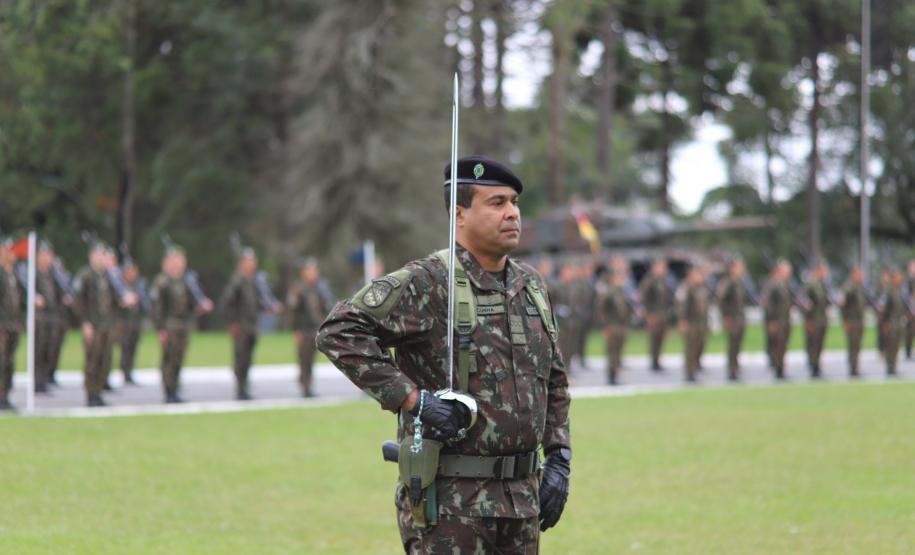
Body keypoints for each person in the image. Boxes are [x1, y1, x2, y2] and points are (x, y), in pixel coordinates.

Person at [317, 156, 571, 553]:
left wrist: (559, 456)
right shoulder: (429, 282)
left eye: (515, 202)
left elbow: (553, 378)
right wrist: (413, 400)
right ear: (460, 214)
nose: (512, 213)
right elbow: (339, 331)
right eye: (497, 202)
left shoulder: (531, 285)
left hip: (522, 501)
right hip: (451, 505)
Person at [150, 245, 213, 403]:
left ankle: (175, 388)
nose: (180, 263)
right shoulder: (162, 281)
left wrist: (200, 307)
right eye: (177, 260)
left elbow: (190, 303)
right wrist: (160, 329)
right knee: (169, 358)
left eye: (181, 260)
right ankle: (168, 390)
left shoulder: (187, 280)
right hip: (170, 325)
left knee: (179, 358)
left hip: (184, 324)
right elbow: (157, 308)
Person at [219, 246, 280, 400]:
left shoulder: (255, 280)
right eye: (248, 261)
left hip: (252, 325)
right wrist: (232, 322)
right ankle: (240, 388)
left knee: (248, 358)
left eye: (253, 260)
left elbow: (257, 301)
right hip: (241, 326)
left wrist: (269, 308)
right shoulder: (238, 280)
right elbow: (227, 303)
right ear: (241, 263)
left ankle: (245, 386)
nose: (251, 264)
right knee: (240, 358)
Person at [73, 242, 118, 407]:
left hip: (106, 324)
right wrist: (85, 322)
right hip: (93, 324)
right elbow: (78, 301)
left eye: (103, 255)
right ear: (92, 256)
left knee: (104, 359)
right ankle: (90, 394)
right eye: (98, 255)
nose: (101, 258)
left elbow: (114, 300)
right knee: (92, 359)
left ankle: (98, 392)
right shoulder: (85, 275)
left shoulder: (108, 276)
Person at [286, 257, 335, 397]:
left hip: (316, 329)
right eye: (310, 271)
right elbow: (293, 312)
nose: (313, 274)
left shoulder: (320, 288)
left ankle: (308, 385)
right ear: (304, 273)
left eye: (314, 271)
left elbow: (327, 306)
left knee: (311, 359)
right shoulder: (299, 289)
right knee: (304, 359)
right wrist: (295, 331)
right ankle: (304, 386)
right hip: (304, 330)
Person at [34, 241, 69, 393]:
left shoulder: (53, 274)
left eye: (49, 255)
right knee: (39, 349)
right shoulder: (33, 273)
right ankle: (38, 380)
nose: (48, 258)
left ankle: (47, 375)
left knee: (50, 348)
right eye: (44, 254)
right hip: (39, 317)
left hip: (52, 316)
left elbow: (60, 291)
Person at [715, 258, 749, 381]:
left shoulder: (739, 282)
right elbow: (721, 300)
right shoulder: (728, 283)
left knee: (738, 345)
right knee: (732, 345)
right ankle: (731, 370)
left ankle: (735, 368)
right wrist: (726, 317)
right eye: (740, 267)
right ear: (732, 268)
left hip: (739, 318)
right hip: (732, 319)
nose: (742, 269)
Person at [0, 239, 23, 411]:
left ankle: (6, 394)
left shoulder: (14, 274)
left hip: (13, 324)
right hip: (2, 325)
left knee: (9, 360)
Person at [677, 265, 709, 383]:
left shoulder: (701, 287)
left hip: (700, 323)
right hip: (691, 323)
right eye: (697, 274)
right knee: (690, 349)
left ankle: (695, 368)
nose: (700, 277)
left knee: (698, 347)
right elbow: (682, 305)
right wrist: (682, 320)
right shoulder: (687, 288)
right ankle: (689, 372)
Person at [638, 259, 672, 371]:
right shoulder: (649, 281)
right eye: (660, 267)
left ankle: (658, 360)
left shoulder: (663, 280)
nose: (663, 270)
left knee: (661, 338)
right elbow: (644, 298)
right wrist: (648, 314)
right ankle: (653, 362)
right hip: (654, 315)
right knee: (654, 339)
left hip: (662, 314)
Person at [599, 268, 631, 385]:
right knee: (612, 352)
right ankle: (611, 376)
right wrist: (606, 326)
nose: (621, 280)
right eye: (619, 278)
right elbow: (602, 310)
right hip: (612, 326)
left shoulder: (621, 291)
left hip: (621, 326)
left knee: (618, 352)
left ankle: (616, 374)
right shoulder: (609, 293)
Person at [762, 259, 793, 380]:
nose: (788, 273)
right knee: (777, 346)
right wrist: (770, 321)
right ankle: (777, 369)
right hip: (777, 321)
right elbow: (768, 304)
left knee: (783, 345)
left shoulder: (785, 284)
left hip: (785, 320)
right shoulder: (773, 285)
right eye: (786, 270)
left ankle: (781, 369)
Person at [118, 258, 147, 385]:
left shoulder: (139, 286)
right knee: (124, 347)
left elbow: (146, 305)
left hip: (135, 322)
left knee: (133, 348)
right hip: (123, 323)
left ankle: (128, 372)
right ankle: (124, 371)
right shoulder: (119, 285)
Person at [801, 263, 831, 379]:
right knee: (813, 344)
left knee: (819, 345)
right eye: (824, 271)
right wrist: (808, 320)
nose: (826, 274)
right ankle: (813, 366)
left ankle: (817, 366)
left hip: (822, 319)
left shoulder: (822, 285)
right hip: (813, 320)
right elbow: (804, 303)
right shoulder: (810, 285)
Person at [878, 268, 906, 376]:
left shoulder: (899, 290)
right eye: (898, 276)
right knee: (890, 345)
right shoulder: (888, 291)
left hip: (898, 322)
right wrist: (885, 323)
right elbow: (884, 309)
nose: (900, 278)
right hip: (891, 323)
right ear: (893, 278)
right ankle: (890, 367)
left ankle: (893, 366)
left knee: (896, 346)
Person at [840, 266, 867, 377]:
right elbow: (843, 306)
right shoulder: (848, 288)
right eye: (858, 274)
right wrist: (845, 320)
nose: (860, 277)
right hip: (852, 321)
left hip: (859, 321)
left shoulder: (860, 288)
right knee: (852, 346)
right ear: (852, 275)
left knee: (858, 346)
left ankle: (856, 367)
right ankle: (852, 368)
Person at [905, 260, 915, 360]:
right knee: (909, 332)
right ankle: (908, 352)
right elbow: (906, 296)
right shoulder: (907, 280)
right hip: (910, 309)